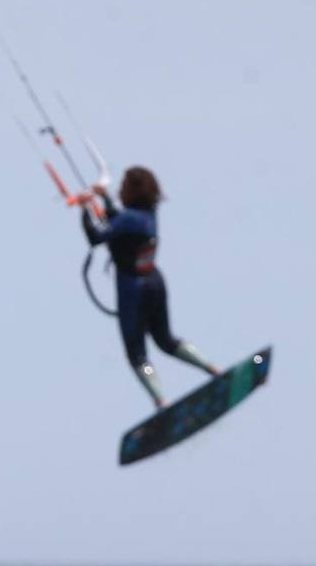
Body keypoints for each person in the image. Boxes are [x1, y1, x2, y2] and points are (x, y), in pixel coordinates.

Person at [80, 165, 221, 409]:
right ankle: (214, 369)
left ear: (132, 192)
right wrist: (103, 198)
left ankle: (160, 400)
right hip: (155, 283)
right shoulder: (148, 215)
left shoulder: (127, 219)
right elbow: (118, 222)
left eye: (123, 188)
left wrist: (84, 210)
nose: (120, 191)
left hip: (133, 291)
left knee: (137, 354)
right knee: (166, 340)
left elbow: (96, 237)